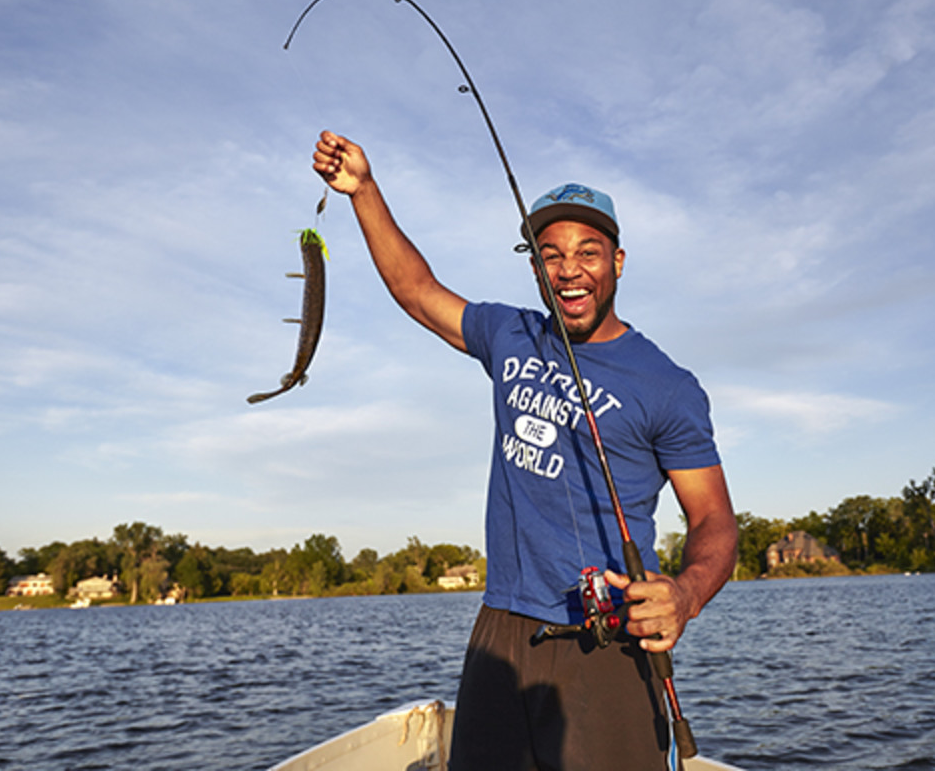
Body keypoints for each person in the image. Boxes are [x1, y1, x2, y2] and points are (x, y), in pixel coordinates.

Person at [313, 130, 738, 770]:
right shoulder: (511, 334)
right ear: (536, 266)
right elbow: (418, 292)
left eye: (588, 253)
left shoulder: (668, 387)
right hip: (500, 629)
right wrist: (364, 192)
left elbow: (714, 520)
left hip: (611, 639)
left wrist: (685, 593)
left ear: (618, 262)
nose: (569, 270)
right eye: (550, 255)